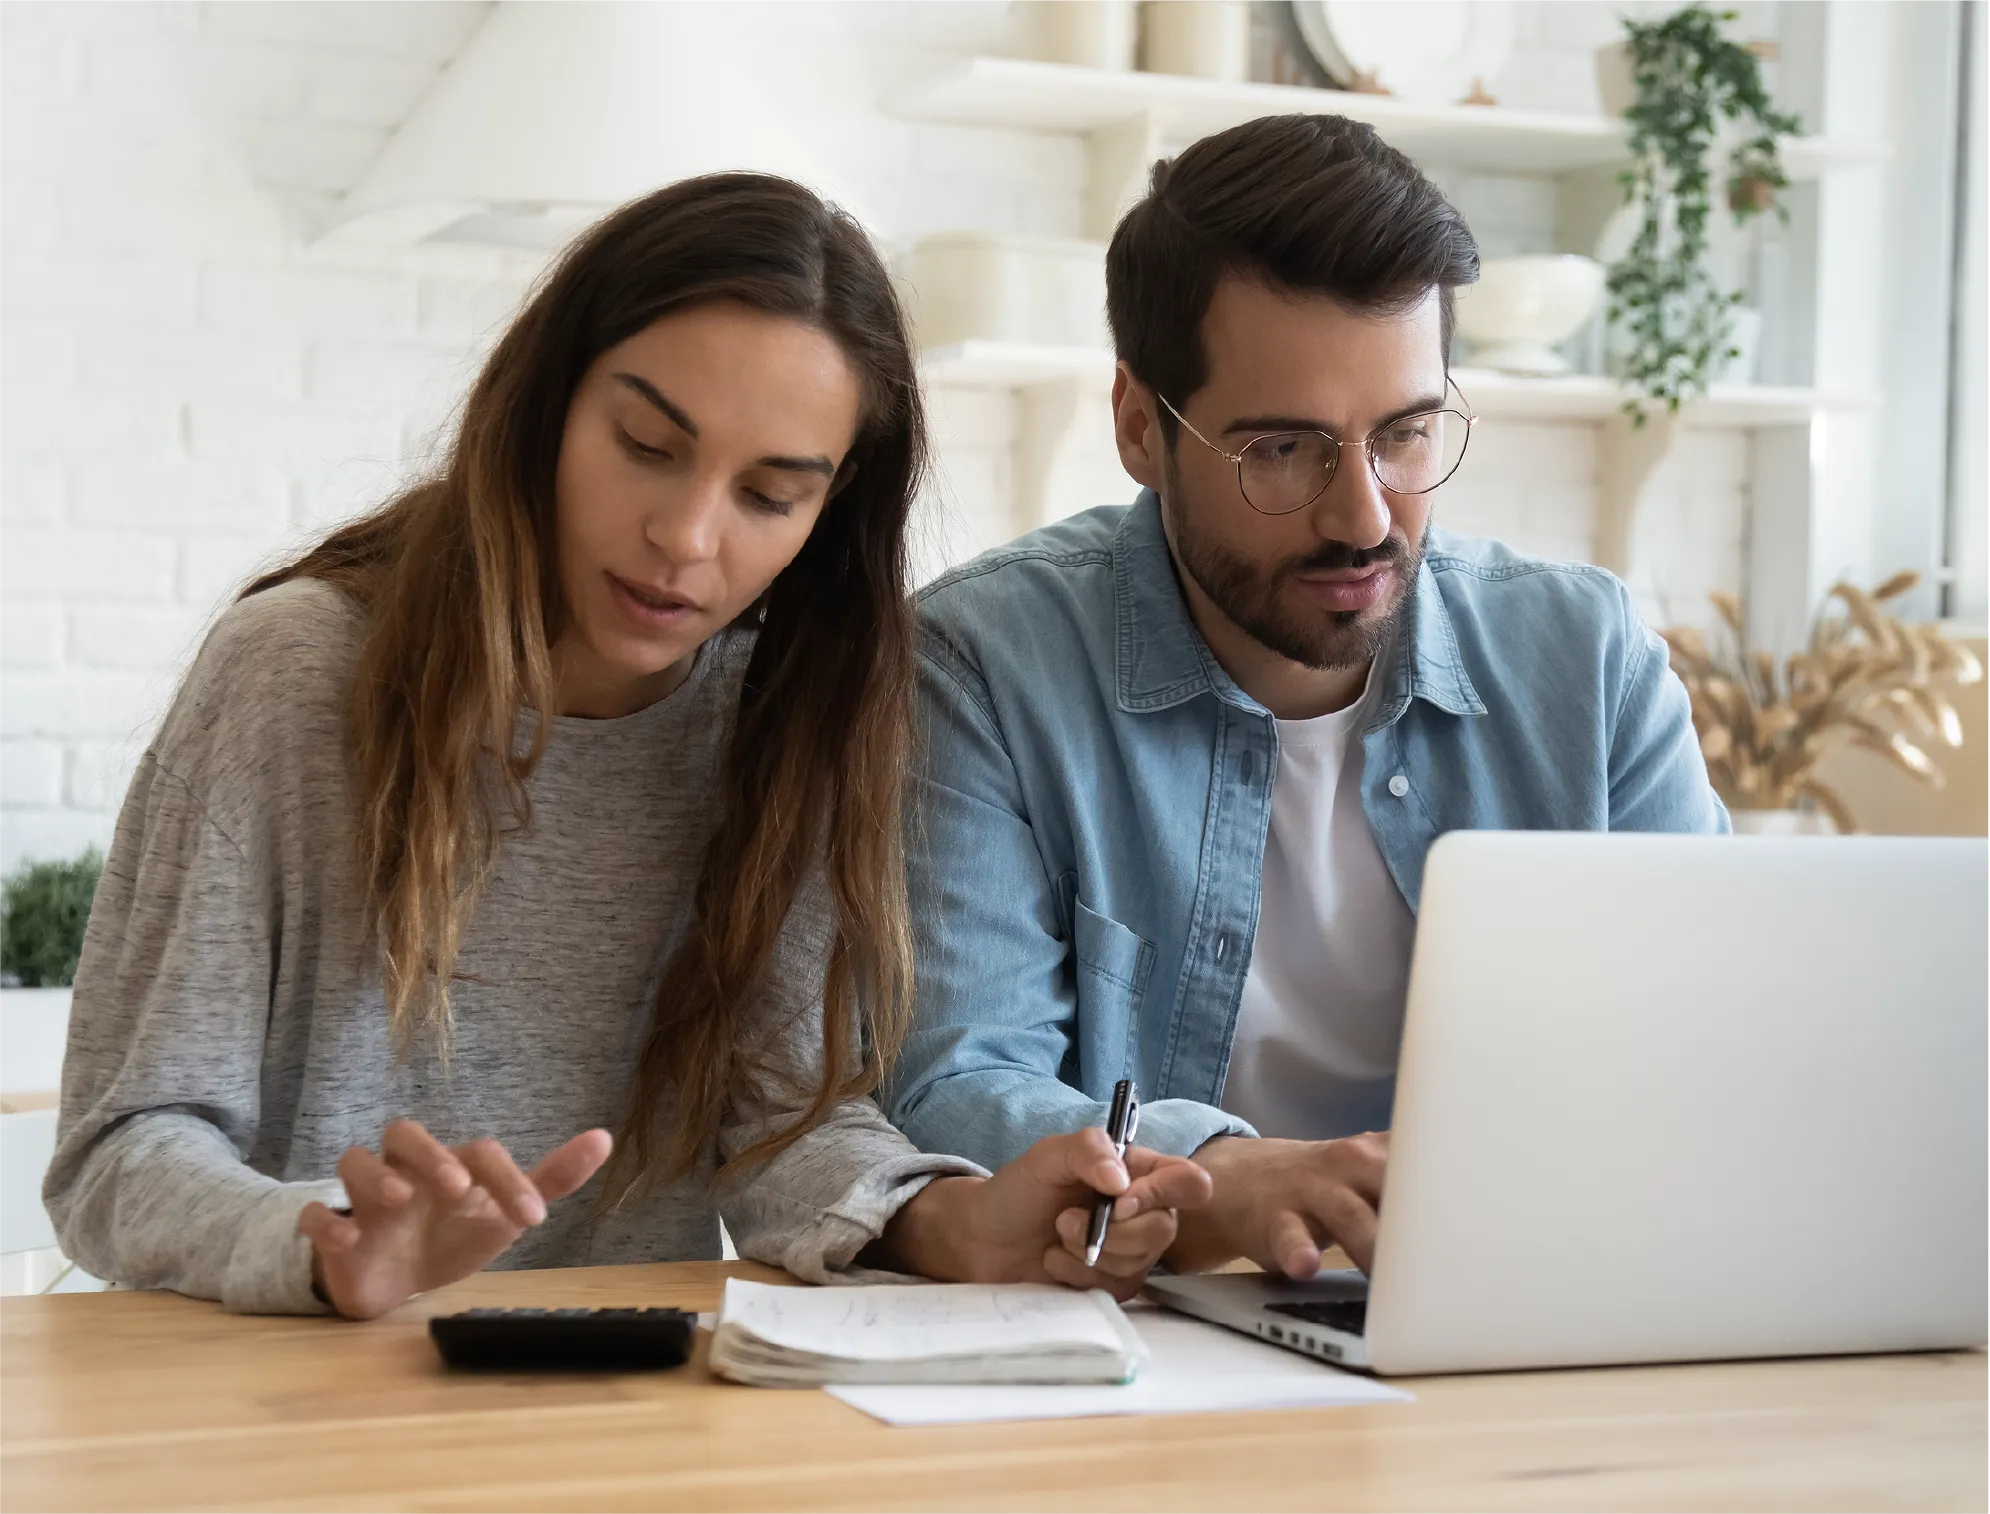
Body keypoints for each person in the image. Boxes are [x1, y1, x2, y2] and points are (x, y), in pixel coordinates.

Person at [44, 173, 1209, 1321]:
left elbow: (778, 1129)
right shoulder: (292, 675)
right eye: (648, 444)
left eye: (768, 494)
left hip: (602, 1400)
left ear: (828, 509)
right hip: (269, 1404)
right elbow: (122, 1146)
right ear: (549, 403)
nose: (685, 536)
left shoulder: (785, 715)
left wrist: (955, 1219)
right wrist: (325, 1242)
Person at [887, 115, 1727, 1281]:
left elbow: (1718, 1045)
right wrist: (1224, 1177)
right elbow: (952, 1080)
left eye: (1405, 433)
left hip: (1530, 1297)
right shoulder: (979, 663)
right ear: (1139, 425)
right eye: (1281, 450)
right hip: (1151, 1333)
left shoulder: (1585, 659)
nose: (1364, 516)